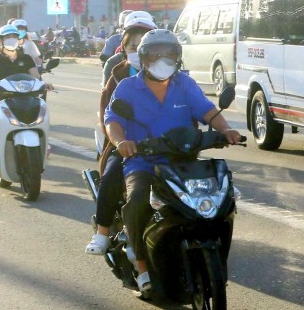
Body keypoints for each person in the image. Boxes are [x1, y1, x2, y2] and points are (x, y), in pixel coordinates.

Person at [100, 29, 243, 296]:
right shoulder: (128, 87)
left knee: (221, 198)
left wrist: (226, 131)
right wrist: (121, 142)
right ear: (143, 58)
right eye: (155, 54)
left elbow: (208, 111)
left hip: (182, 161)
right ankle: (142, 266)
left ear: (177, 57)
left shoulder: (184, 84)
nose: (162, 60)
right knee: (139, 200)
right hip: (143, 163)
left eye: (168, 54)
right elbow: (113, 121)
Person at [85, 10, 158, 256]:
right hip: (128, 144)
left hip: (165, 143)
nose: (138, 50)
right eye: (133, 45)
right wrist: (119, 140)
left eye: (144, 43)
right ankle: (103, 231)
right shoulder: (117, 74)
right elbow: (108, 113)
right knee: (112, 174)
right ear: (124, 47)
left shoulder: (173, 72)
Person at [0, 24, 54, 167]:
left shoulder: (26, 58)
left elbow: (36, 77)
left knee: (41, 110)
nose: (11, 39)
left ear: (19, 40)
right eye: (7, 37)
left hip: (24, 96)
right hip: (0, 97)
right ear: (1, 40)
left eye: (14, 37)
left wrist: (44, 84)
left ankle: (44, 143)